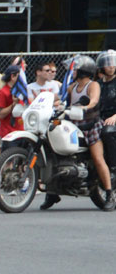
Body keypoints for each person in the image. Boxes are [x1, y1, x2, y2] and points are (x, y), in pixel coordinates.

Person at [42, 56, 114, 210]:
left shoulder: (92, 84)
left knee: (97, 157)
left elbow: (93, 101)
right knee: (53, 150)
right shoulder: (71, 87)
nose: (72, 72)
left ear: (83, 71)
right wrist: (49, 104)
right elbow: (63, 101)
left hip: (90, 125)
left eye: (75, 69)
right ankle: (52, 193)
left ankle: (109, 193)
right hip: (73, 123)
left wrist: (85, 106)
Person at [0, 65, 26, 139]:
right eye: (20, 76)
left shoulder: (21, 91)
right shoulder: (3, 92)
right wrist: (13, 104)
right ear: (12, 76)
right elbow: (0, 115)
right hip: (9, 133)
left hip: (21, 131)